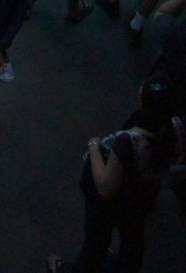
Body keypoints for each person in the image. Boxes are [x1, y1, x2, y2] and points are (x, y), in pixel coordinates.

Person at [46, 79, 186, 272]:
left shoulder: (127, 141)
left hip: (113, 200)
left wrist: (93, 146)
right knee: (133, 239)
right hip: (141, 198)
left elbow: (105, 186)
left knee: (97, 239)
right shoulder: (176, 129)